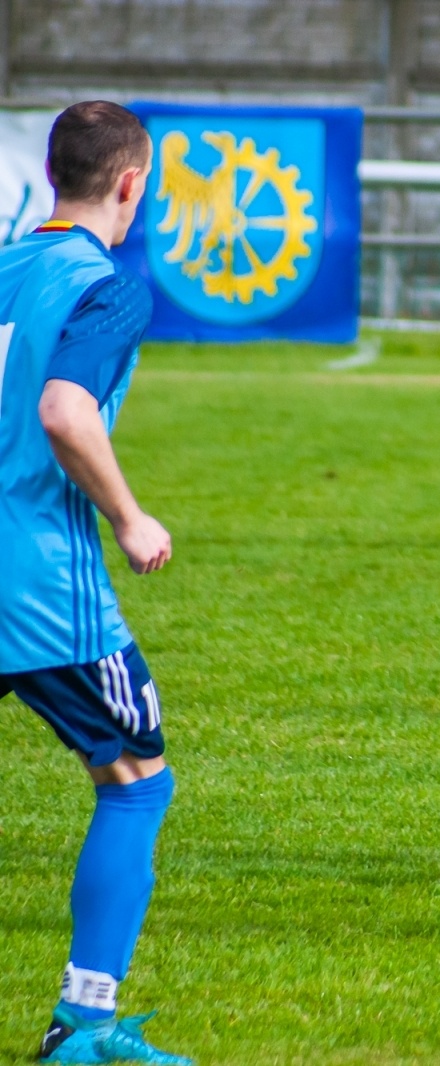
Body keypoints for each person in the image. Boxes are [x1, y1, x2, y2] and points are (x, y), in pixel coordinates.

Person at [0, 102, 191, 1065]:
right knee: (135, 782)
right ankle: (84, 1025)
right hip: (38, 584)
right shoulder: (106, 285)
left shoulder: (6, 265)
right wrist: (129, 515)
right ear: (130, 184)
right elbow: (66, 412)